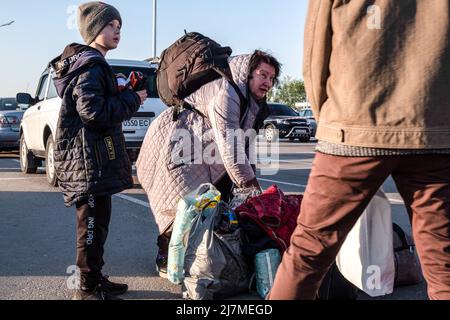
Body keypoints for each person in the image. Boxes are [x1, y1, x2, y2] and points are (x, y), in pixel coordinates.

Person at [269, 0, 450, 300]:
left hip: (353, 121)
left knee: (308, 253)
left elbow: (316, 46)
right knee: (443, 263)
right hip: (432, 127)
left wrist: (327, 118)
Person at [136, 50, 281, 277]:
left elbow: (245, 146)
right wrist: (249, 184)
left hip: (208, 154)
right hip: (175, 146)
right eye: (263, 75)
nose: (268, 83)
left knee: (218, 206)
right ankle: (165, 257)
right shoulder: (226, 93)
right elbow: (229, 143)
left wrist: (252, 184)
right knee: (180, 206)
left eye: (272, 78)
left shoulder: (253, 103)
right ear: (249, 74)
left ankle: (205, 259)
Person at [50, 1, 147, 300]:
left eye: (119, 27)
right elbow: (92, 112)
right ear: (94, 29)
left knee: (97, 222)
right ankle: (87, 287)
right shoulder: (91, 65)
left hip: (93, 159)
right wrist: (134, 100)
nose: (117, 31)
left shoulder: (92, 63)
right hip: (88, 162)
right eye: (110, 26)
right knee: (90, 225)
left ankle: (95, 277)